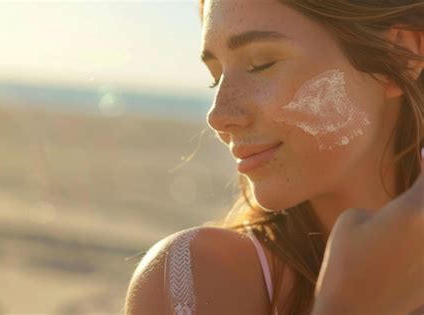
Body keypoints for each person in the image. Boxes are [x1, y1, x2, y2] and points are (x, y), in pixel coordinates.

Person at [124, 0, 424, 314]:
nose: (218, 115)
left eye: (260, 63)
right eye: (217, 77)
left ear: (398, 55)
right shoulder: (200, 279)